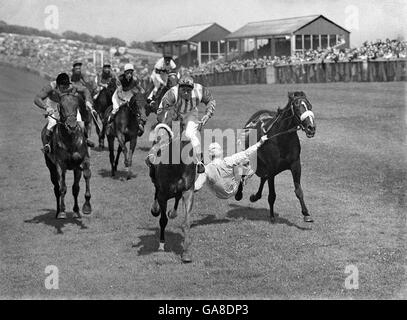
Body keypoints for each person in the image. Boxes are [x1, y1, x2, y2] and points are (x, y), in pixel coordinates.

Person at [146, 74, 215, 173]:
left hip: (191, 113)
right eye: (183, 90)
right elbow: (161, 112)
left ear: (193, 88)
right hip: (174, 112)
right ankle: (152, 154)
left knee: (189, 134)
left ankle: (199, 162)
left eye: (189, 90)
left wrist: (207, 114)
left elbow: (210, 100)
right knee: (166, 133)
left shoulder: (200, 90)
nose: (186, 93)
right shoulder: (171, 94)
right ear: (178, 88)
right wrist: (165, 125)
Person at [34, 73, 94, 153]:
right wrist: (46, 107)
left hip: (67, 104)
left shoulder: (72, 86)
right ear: (57, 85)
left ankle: (85, 139)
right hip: (53, 104)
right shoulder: (50, 87)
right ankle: (47, 144)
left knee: (81, 124)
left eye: (67, 86)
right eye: (63, 87)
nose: (65, 88)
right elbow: (37, 98)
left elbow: (85, 90)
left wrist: (87, 101)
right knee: (52, 123)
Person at [194, 135, 269, 199]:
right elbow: (246, 153)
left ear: (209, 155)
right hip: (232, 189)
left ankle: (241, 180)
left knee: (206, 175)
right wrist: (260, 142)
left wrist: (184, 190)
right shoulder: (228, 161)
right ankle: (242, 181)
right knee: (244, 165)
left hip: (218, 194)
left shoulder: (206, 169)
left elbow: (197, 186)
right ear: (221, 152)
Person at [108, 63, 146, 134]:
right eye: (128, 73)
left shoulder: (134, 79)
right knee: (116, 109)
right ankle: (109, 123)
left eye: (131, 73)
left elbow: (140, 88)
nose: (129, 75)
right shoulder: (119, 79)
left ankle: (139, 124)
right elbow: (119, 92)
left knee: (135, 108)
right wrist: (123, 100)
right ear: (125, 73)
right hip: (118, 96)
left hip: (128, 94)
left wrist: (143, 94)